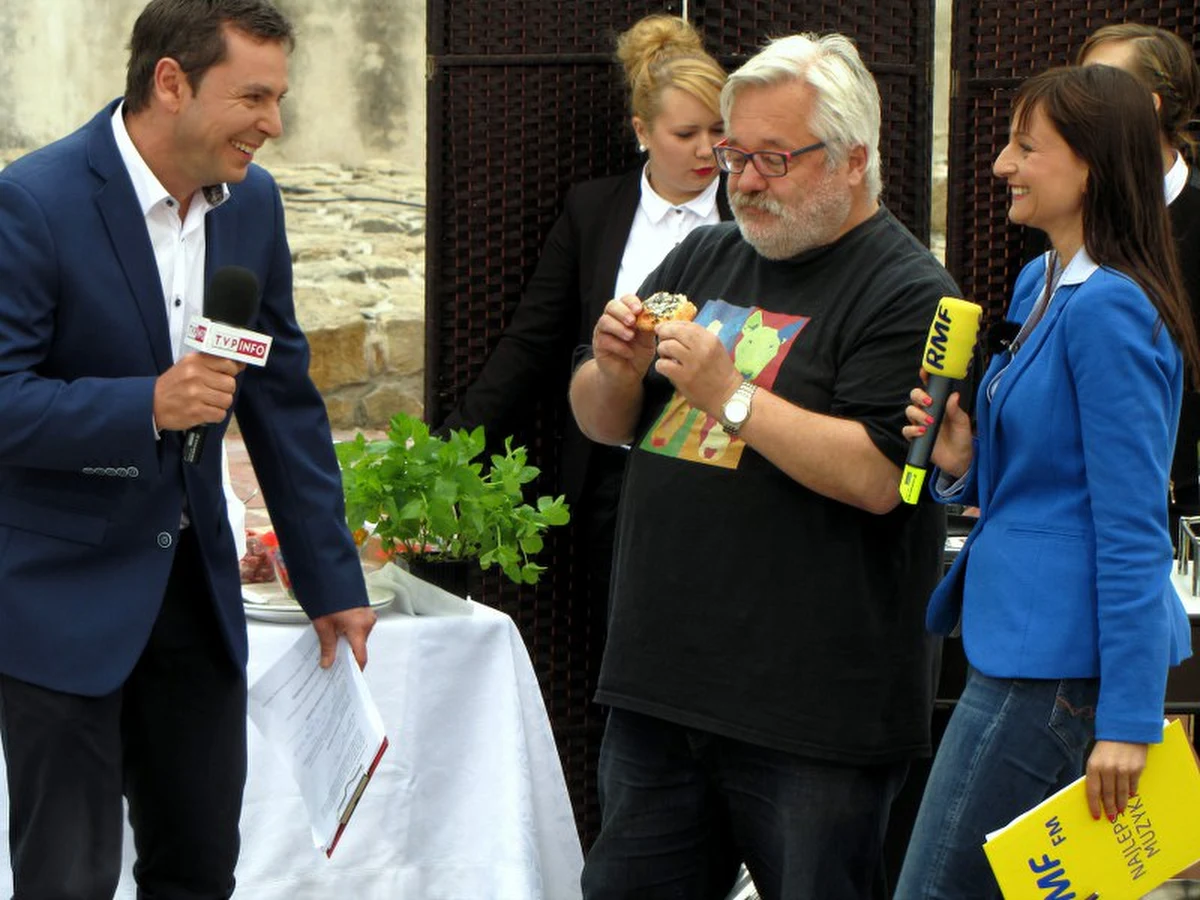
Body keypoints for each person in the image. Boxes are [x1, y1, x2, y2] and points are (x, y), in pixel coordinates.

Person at [570, 32, 959, 900]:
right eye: (733, 154)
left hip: (814, 717)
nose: (741, 181)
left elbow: (878, 476)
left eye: (772, 159)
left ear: (853, 160)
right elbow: (602, 422)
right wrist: (613, 370)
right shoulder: (706, 255)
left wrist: (729, 393)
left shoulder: (910, 290)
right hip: (661, 689)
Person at [0, 1, 376, 897]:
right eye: (254, 95)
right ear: (171, 82)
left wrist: (330, 582)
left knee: (201, 870)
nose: (274, 125)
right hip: (62, 605)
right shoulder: (34, 202)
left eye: (279, 98)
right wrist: (148, 406)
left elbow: (282, 400)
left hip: (197, 604)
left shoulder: (254, 206)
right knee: (71, 879)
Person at [894, 64, 1199, 898]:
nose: (1000, 165)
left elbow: (1134, 519)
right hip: (1023, 645)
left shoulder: (1112, 308)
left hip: (1060, 671)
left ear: (1092, 165)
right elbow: (1051, 477)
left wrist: (1132, 718)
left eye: (1027, 148)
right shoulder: (1043, 282)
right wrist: (964, 463)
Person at [439, 14, 729, 610]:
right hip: (615, 470)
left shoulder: (750, 212)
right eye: (686, 133)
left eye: (720, 130)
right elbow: (532, 340)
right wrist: (449, 448)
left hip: (723, 467)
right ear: (642, 131)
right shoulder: (595, 209)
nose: (707, 150)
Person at [1077, 23, 1200, 531]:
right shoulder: (1063, 214)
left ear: (1146, 106)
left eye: (1094, 87)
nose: (1073, 103)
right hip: (1074, 502)